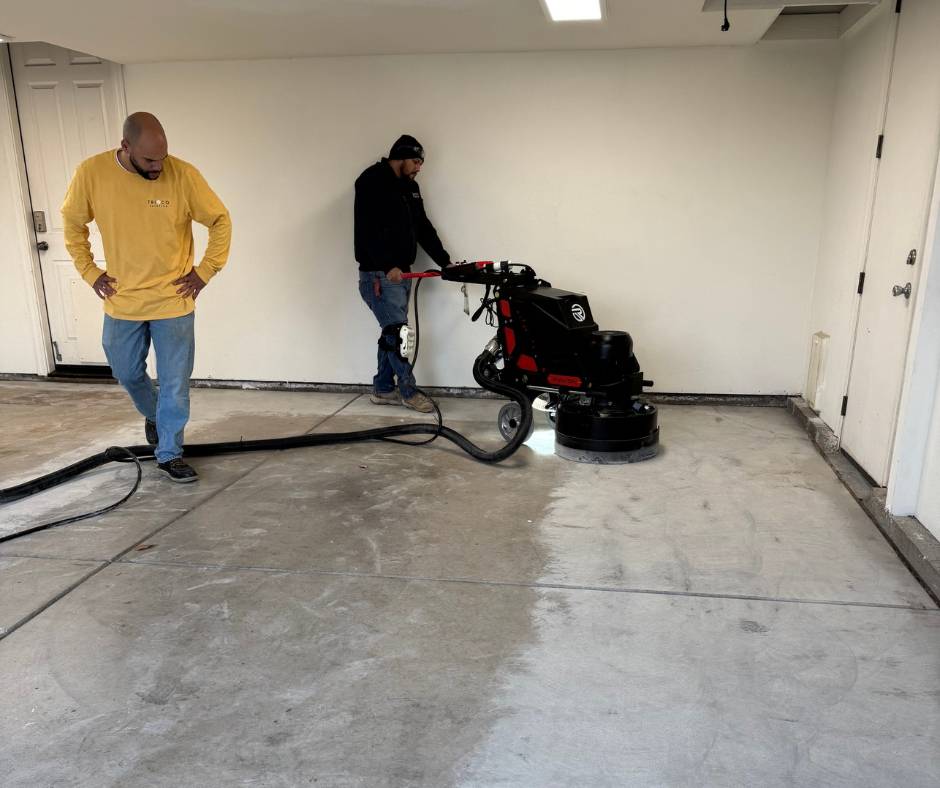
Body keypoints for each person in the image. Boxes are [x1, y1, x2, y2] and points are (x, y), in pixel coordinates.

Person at [62, 112, 232, 483]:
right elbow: (73, 224)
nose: (159, 168)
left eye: (163, 159)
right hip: (123, 300)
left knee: (175, 383)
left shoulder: (183, 175)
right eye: (150, 161)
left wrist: (205, 271)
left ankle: (169, 452)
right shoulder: (91, 174)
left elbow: (219, 220)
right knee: (125, 370)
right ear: (125, 147)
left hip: (173, 301)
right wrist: (90, 273)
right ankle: (155, 414)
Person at [354, 134, 451, 413]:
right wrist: (387, 266)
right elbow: (368, 229)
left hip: (400, 275)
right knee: (399, 335)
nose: (419, 167)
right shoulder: (371, 180)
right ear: (402, 156)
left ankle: (383, 389)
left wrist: (446, 262)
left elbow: (423, 227)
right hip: (379, 276)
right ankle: (408, 392)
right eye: (417, 161)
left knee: (392, 332)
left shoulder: (411, 187)